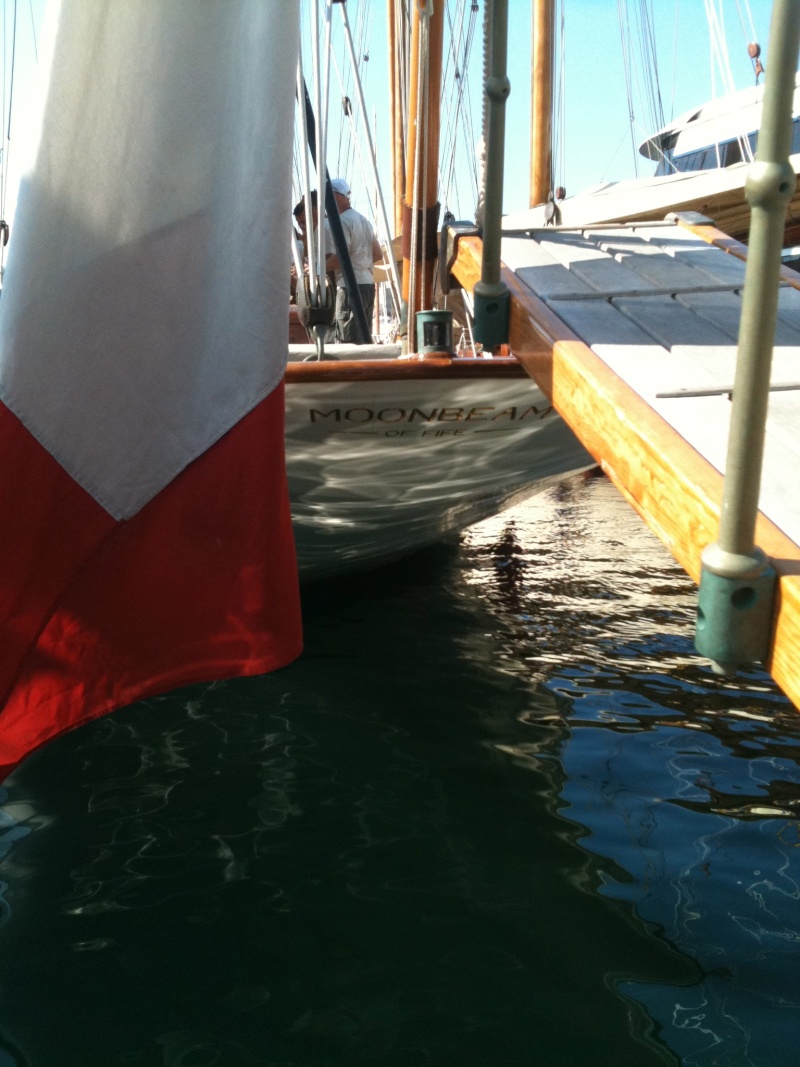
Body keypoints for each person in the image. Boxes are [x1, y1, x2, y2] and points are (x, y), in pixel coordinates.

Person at [328, 178, 382, 343]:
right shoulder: (365, 221)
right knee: (363, 341)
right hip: (367, 285)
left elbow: (340, 259)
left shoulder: (343, 221)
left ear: (335, 197)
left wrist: (317, 267)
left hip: (349, 287)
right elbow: (378, 254)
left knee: (347, 342)